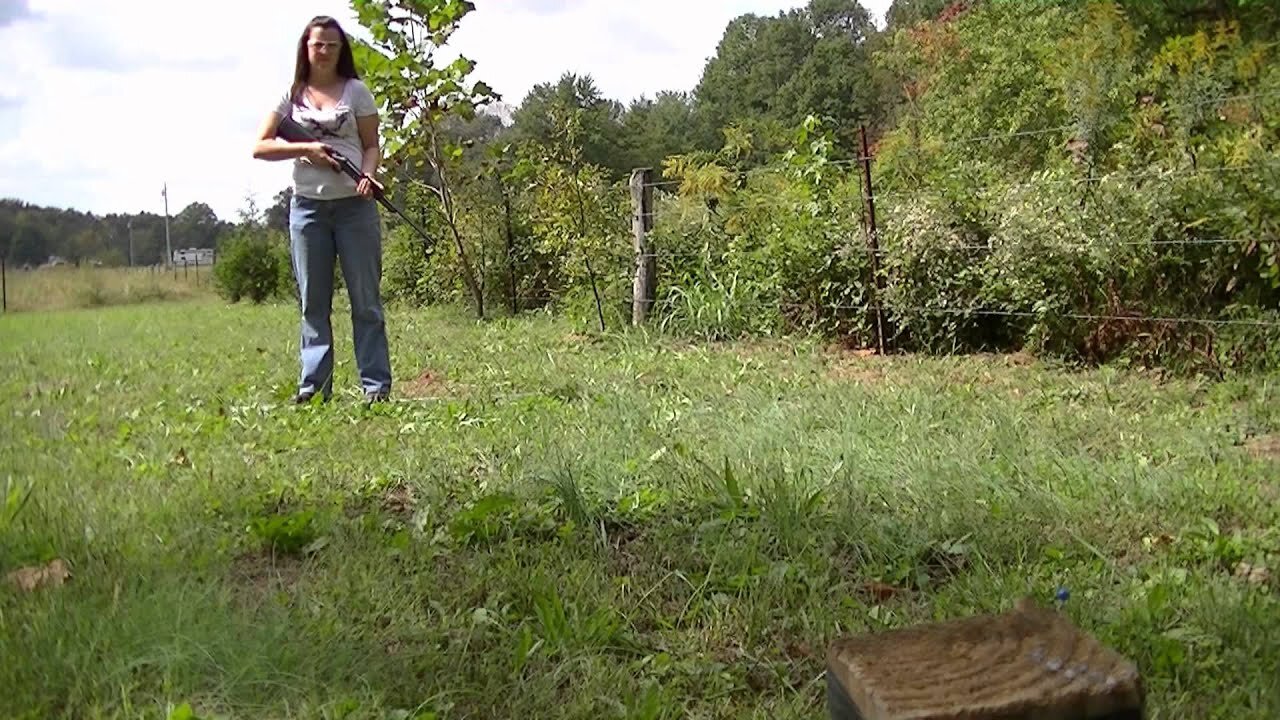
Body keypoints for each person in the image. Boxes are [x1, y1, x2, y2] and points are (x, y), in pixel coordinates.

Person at [251, 15, 392, 405]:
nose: (325, 51)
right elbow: (260, 146)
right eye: (318, 44)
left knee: (365, 301)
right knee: (313, 303)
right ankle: (313, 389)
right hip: (308, 210)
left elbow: (370, 145)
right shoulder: (291, 94)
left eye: (332, 44)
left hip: (354, 209)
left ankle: (375, 388)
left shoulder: (357, 92)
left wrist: (367, 175)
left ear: (341, 49)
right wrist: (306, 150)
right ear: (306, 48)